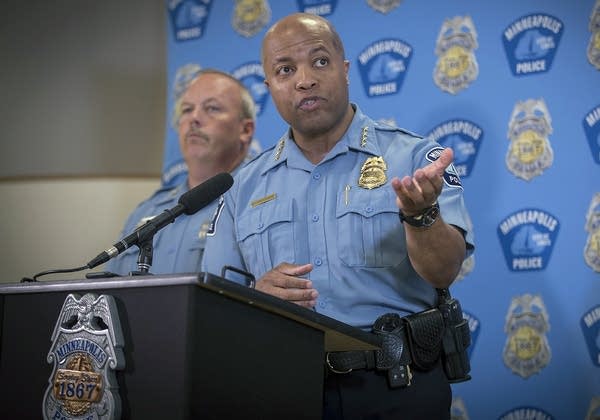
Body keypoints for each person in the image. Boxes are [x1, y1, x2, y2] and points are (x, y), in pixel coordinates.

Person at [202, 13, 475, 420]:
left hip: (396, 389)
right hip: (281, 389)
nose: (304, 80)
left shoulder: (413, 159)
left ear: (346, 71)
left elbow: (443, 271)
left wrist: (421, 216)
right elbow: (214, 307)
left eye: (320, 62)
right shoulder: (243, 186)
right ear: (270, 88)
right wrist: (255, 298)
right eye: (285, 70)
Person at [106, 68, 256, 275]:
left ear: (245, 130)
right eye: (186, 110)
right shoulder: (148, 211)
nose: (194, 118)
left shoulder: (259, 201)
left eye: (211, 108)